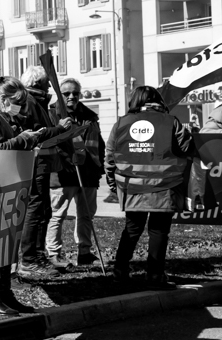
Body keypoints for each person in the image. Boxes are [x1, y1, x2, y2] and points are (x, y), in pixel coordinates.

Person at [0, 76, 51, 315]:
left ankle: (3, 294)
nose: (20, 108)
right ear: (2, 98)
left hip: (5, 188)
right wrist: (23, 139)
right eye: (16, 102)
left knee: (6, 246)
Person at [106, 85, 193, 287]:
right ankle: (155, 276)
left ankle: (119, 273)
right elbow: (187, 147)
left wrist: (113, 185)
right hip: (164, 186)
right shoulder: (170, 121)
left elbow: (110, 157)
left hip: (132, 187)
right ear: (157, 100)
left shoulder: (122, 123)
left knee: (132, 229)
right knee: (159, 231)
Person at [15, 66, 75, 279]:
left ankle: (38, 256)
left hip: (43, 162)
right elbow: (37, 133)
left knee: (43, 210)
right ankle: (30, 259)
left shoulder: (35, 102)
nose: (50, 85)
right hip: (36, 161)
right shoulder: (29, 102)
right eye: (46, 82)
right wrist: (59, 128)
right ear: (37, 84)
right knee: (36, 209)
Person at [46, 78, 105, 267]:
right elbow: (49, 142)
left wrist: (98, 167)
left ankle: (85, 253)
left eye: (75, 93)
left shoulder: (89, 116)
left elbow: (99, 144)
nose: (72, 96)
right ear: (59, 95)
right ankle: (53, 254)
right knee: (58, 214)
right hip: (63, 173)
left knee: (86, 215)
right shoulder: (50, 115)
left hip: (87, 172)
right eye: (67, 93)